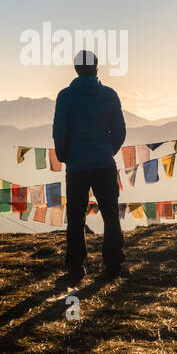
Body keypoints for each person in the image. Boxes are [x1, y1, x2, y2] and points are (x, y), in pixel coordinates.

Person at [52, 50, 126, 285]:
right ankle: (113, 263)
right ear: (97, 68)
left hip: (77, 167)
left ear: (76, 69)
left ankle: (76, 267)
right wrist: (107, 151)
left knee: (75, 218)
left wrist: (66, 156)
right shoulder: (109, 95)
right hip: (104, 164)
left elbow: (59, 131)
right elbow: (120, 131)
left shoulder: (65, 96)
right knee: (111, 215)